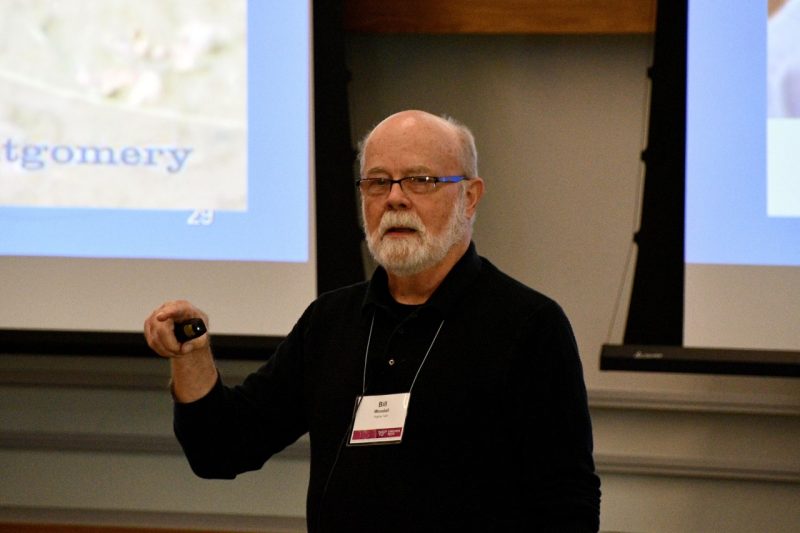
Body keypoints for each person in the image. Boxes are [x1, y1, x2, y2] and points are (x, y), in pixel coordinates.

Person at [144, 110, 601, 532]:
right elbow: (222, 449)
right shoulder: (331, 320)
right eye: (378, 183)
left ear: (469, 197)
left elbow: (568, 504)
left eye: (420, 180)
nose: (395, 199)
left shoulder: (529, 325)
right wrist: (193, 355)